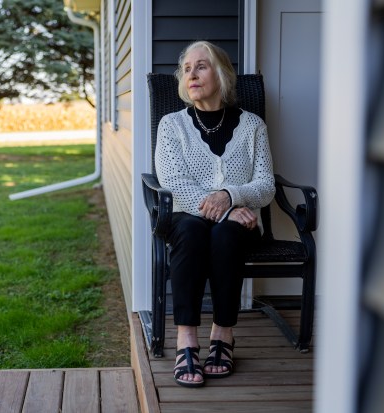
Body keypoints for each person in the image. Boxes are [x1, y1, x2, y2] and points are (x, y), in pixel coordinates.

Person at [155, 41, 275, 388]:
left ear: (221, 74)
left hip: (241, 223)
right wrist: (225, 211)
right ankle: (186, 340)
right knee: (193, 231)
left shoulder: (253, 126)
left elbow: (266, 185)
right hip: (187, 217)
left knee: (225, 234)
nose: (191, 73)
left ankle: (223, 333)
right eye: (186, 68)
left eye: (201, 66)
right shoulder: (171, 125)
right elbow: (173, 182)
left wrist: (232, 196)